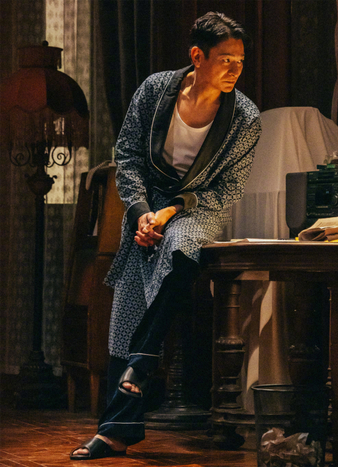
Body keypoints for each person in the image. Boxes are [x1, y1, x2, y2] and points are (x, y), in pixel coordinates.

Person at [70, 12, 261, 461]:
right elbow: (128, 156)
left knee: (180, 247)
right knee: (128, 305)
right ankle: (114, 431)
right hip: (146, 207)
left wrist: (171, 210)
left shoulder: (245, 117)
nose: (235, 69)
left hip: (199, 208)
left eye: (240, 60)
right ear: (197, 56)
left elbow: (228, 189)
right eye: (225, 59)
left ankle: (143, 360)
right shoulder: (155, 90)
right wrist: (141, 214)